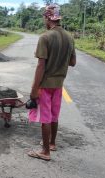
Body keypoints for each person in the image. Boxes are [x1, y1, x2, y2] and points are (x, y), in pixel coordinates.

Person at [28, 4, 76, 161]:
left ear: (48, 18)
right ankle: (52, 143)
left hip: (46, 85)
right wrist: (60, 60)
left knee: (45, 118)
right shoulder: (69, 37)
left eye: (44, 17)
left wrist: (34, 90)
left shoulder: (45, 37)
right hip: (59, 84)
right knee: (55, 115)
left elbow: (41, 66)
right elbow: (73, 62)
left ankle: (45, 151)